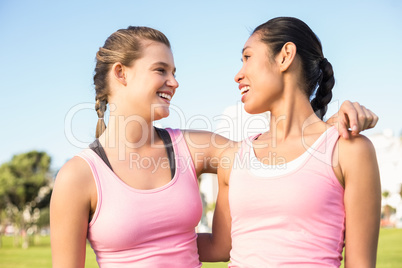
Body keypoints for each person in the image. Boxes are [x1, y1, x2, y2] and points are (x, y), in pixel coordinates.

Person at [50, 25, 378, 267]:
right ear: (120, 73)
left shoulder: (192, 147)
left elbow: (284, 157)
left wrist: (331, 126)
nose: (175, 82)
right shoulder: (78, 177)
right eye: (160, 70)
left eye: (174, 71)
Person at [197, 17, 381, 267]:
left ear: (285, 56)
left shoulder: (348, 149)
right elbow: (219, 246)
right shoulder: (233, 158)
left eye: (247, 57)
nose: (238, 75)